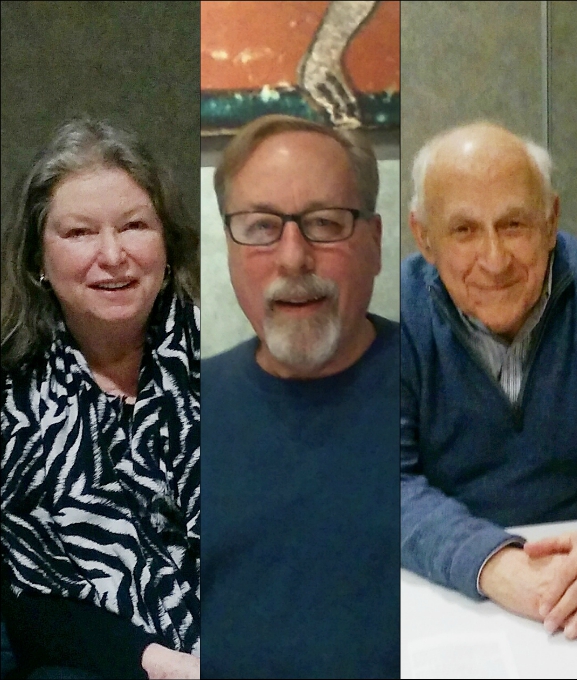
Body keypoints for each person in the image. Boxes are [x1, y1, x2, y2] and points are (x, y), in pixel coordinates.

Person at [1, 118, 201, 679]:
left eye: (134, 225)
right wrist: (168, 666)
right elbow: (30, 599)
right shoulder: (12, 401)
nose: (112, 255)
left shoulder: (238, 364)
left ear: (167, 245)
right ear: (39, 259)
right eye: (80, 233)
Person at [200, 114, 399, 678]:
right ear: (231, 249)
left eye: (324, 222)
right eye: (262, 227)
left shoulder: (445, 388)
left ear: (376, 242)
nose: (293, 257)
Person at [401, 122, 577, 639]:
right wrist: (492, 563)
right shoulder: (389, 317)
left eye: (513, 225)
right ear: (423, 236)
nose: (494, 260)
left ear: (551, 220)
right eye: (464, 230)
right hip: (447, 584)